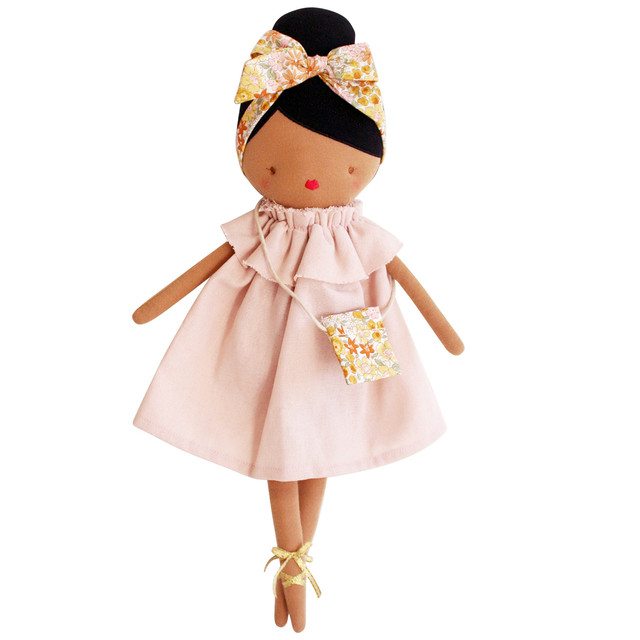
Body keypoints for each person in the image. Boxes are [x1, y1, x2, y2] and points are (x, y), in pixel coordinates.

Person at [132, 8, 463, 632]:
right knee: (287, 444)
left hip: (336, 357)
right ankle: (293, 560)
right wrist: (154, 306)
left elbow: (403, 275)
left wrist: (444, 331)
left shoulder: (354, 232)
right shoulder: (266, 228)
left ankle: (296, 559)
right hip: (261, 346)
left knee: (318, 445)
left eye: (345, 165)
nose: (310, 179)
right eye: (278, 167)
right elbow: (213, 263)